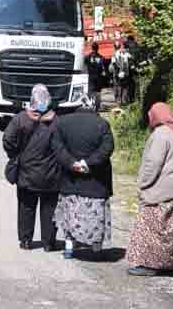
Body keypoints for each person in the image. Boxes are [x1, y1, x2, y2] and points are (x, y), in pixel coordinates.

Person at [126, 103, 173, 276]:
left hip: (162, 189)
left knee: (151, 228)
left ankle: (150, 265)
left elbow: (153, 164)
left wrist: (143, 183)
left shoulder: (160, 135)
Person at [51, 92, 115, 259]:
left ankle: (69, 247)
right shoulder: (103, 124)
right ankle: (96, 249)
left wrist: (72, 163)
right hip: (96, 180)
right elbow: (107, 149)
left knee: (70, 214)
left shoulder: (63, 122)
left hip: (70, 179)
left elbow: (57, 147)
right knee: (95, 216)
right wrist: (88, 163)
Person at [3, 85, 62, 252]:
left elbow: (7, 140)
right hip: (51, 173)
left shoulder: (21, 119)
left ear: (32, 99)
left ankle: (26, 241)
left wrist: (15, 155)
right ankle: (49, 242)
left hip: (26, 172)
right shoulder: (56, 121)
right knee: (49, 208)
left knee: (26, 207)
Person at [86, 42, 108, 111]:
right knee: (98, 92)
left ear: (92, 48)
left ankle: (91, 106)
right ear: (98, 48)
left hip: (91, 77)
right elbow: (103, 67)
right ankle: (97, 107)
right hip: (98, 77)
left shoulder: (88, 57)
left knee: (91, 92)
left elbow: (85, 65)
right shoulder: (101, 57)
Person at [112, 40, 135, 106]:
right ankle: (121, 100)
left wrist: (118, 73)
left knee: (121, 87)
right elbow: (131, 61)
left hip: (122, 73)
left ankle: (120, 101)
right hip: (123, 73)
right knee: (123, 87)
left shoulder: (117, 53)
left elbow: (115, 64)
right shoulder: (124, 54)